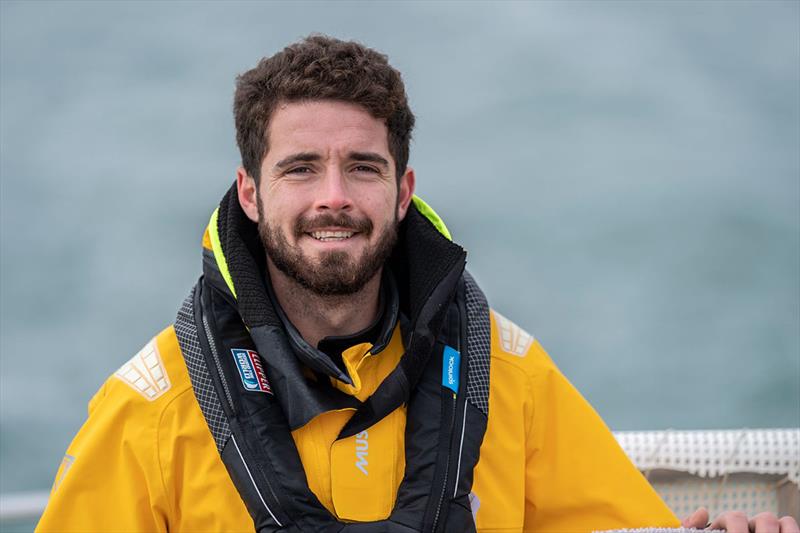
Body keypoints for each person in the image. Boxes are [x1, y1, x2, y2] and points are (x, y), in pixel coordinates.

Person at [36, 35, 798, 533]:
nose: (333, 196)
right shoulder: (148, 412)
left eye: (362, 167)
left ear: (402, 192)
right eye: (300, 167)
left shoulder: (511, 378)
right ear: (249, 192)